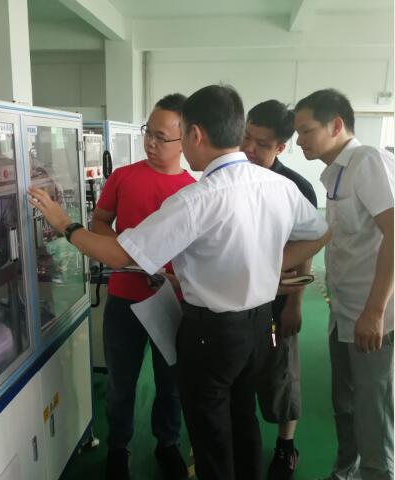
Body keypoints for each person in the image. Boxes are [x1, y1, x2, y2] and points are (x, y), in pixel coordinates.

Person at [28, 84, 331, 480]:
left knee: (210, 434)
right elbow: (320, 232)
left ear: (195, 135)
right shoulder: (278, 186)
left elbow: (119, 255)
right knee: (243, 419)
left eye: (177, 134)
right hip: (257, 326)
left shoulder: (197, 198)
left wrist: (64, 224)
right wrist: (268, 268)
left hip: (211, 334)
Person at [91, 93, 195, 480]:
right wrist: (125, 253)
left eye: (160, 137)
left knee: (171, 384)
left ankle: (167, 443)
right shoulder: (123, 177)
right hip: (124, 299)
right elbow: (99, 222)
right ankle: (118, 447)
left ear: (185, 140)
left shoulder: (192, 190)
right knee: (121, 383)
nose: (150, 143)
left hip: (172, 302)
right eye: (147, 133)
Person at [294, 88, 394, 480]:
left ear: (336, 125)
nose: (299, 141)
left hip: (373, 316)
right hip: (344, 311)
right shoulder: (336, 173)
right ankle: (346, 469)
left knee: (373, 409)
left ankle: (376, 473)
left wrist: (375, 311)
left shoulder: (367, 162)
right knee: (346, 402)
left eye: (306, 131)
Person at [242, 99, 317, 480]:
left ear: (282, 147)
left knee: (282, 374)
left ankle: (286, 446)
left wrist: (294, 304)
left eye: (262, 144)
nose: (249, 149)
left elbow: (307, 250)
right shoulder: (232, 177)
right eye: (246, 137)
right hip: (237, 301)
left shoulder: (296, 187)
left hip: (277, 301)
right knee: (238, 376)